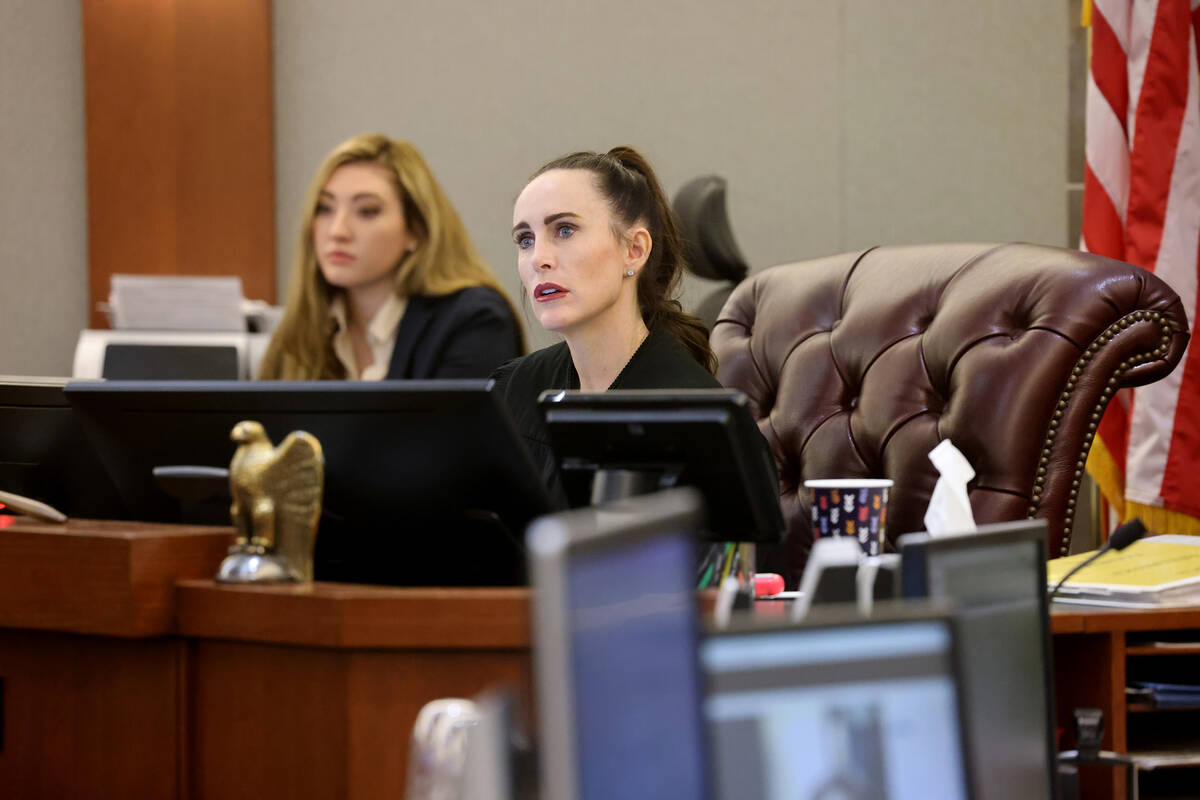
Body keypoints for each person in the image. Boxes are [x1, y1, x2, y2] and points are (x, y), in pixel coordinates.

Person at [493, 146, 721, 494]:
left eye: (565, 230)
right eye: (525, 239)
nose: (539, 258)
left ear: (634, 250)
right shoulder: (514, 389)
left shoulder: (698, 420)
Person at [259, 133, 522, 380]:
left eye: (367, 211)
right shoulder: (300, 328)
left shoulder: (474, 320)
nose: (337, 231)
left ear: (415, 228)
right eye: (324, 208)